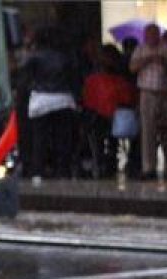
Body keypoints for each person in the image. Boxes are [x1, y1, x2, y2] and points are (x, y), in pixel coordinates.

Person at [22, 27, 79, 179]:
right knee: (62, 138)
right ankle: (63, 170)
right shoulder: (64, 57)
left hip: (41, 100)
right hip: (63, 99)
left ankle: (38, 171)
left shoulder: (34, 57)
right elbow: (73, 77)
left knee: (40, 138)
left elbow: (24, 72)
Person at [130, 24, 167, 179]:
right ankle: (148, 167)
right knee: (148, 130)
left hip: (164, 92)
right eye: (149, 35)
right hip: (147, 93)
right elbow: (132, 68)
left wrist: (163, 60)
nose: (152, 37)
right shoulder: (140, 49)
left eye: (155, 34)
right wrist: (148, 59)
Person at [82, 44, 137, 176]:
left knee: (98, 140)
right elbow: (128, 98)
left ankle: (101, 164)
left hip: (97, 117)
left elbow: (88, 99)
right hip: (116, 116)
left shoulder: (93, 80)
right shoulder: (121, 80)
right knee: (112, 141)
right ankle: (111, 163)